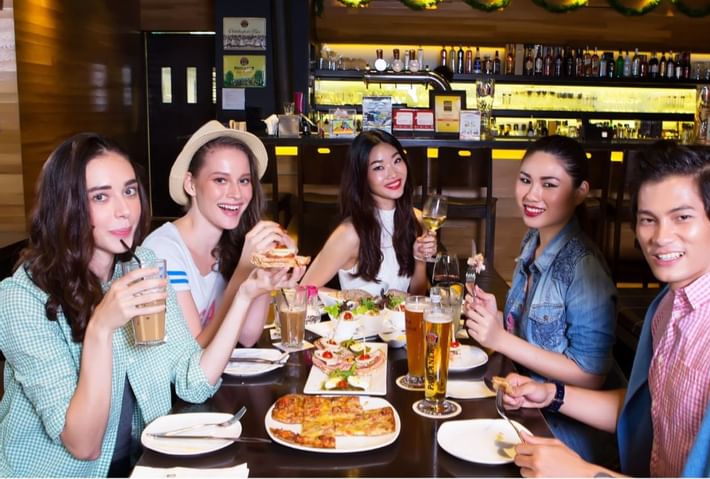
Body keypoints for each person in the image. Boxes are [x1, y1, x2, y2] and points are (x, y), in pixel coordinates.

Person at [0, 133, 301, 477]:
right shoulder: (21, 299)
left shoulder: (142, 263)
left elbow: (193, 380)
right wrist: (101, 327)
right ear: (66, 205)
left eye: (129, 191)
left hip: (144, 463)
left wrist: (246, 293)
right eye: (101, 196)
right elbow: (83, 445)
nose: (124, 210)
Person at [503, 141, 710, 477]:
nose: (660, 237)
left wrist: (583, 474)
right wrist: (550, 394)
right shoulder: (672, 303)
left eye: (682, 217)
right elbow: (647, 411)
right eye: (648, 220)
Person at [464, 135, 620, 466]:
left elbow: (590, 374)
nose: (532, 195)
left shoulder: (583, 265)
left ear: (580, 192)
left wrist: (501, 340)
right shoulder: (533, 239)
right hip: (525, 404)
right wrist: (498, 318)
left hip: (566, 436)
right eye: (525, 180)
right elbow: (532, 337)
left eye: (549, 184)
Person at [143, 120, 294, 347]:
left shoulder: (230, 243)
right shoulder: (162, 252)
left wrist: (266, 267)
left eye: (244, 180)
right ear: (191, 185)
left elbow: (248, 336)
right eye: (220, 180)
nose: (236, 193)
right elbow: (195, 354)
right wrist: (245, 270)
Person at [301, 130, 436, 296]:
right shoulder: (350, 233)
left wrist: (420, 259)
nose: (393, 174)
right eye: (379, 167)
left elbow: (417, 297)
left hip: (403, 322)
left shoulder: (415, 218)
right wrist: (353, 299)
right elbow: (302, 290)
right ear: (362, 177)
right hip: (357, 321)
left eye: (397, 160)